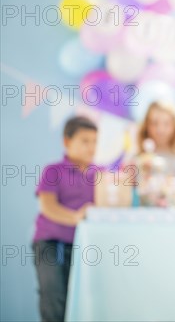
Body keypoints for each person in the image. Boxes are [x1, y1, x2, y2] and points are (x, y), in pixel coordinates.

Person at [32, 116, 97, 321]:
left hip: (85, 246)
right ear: (67, 142)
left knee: (83, 300)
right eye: (85, 141)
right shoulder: (53, 171)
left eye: (95, 141)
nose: (91, 147)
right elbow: (48, 206)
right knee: (54, 298)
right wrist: (76, 217)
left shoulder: (101, 175)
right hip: (51, 244)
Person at [136, 101, 175, 207]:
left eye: (166, 124)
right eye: (154, 123)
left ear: (174, 126)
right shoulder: (139, 159)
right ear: (146, 125)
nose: (160, 129)